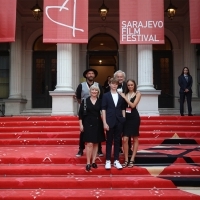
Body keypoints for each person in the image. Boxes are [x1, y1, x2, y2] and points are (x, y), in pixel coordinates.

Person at [75, 69, 104, 157]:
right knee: (83, 131)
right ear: (86, 75)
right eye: (89, 73)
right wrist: (85, 105)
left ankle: (99, 149)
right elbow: (78, 97)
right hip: (85, 110)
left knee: (97, 130)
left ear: (94, 75)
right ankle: (81, 149)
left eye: (92, 73)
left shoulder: (98, 85)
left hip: (96, 110)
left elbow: (101, 97)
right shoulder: (81, 85)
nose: (91, 75)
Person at [78, 85, 105, 172]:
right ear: (90, 91)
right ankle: (88, 162)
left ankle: (94, 161)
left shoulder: (100, 101)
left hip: (98, 123)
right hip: (87, 123)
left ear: (98, 92)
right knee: (89, 144)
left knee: (96, 143)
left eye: (96, 90)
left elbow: (103, 113)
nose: (94, 91)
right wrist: (81, 125)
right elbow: (80, 114)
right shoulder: (85, 101)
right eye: (92, 90)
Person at [102, 77, 126, 170]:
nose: (114, 85)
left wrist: (123, 119)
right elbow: (103, 109)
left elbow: (123, 108)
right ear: (109, 84)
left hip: (119, 121)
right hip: (109, 120)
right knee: (108, 141)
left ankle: (116, 160)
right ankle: (108, 160)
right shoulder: (106, 95)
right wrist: (104, 122)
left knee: (117, 141)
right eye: (112, 83)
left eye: (116, 84)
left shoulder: (121, 96)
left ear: (117, 85)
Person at [119, 79, 141, 168]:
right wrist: (123, 118)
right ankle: (126, 159)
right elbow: (123, 107)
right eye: (128, 85)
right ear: (126, 86)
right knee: (125, 139)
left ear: (134, 85)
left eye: (132, 85)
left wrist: (124, 97)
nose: (130, 86)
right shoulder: (125, 93)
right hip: (126, 118)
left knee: (135, 138)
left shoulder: (138, 94)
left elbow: (133, 105)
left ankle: (132, 159)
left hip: (134, 117)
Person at [113, 70, 132, 155]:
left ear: (124, 78)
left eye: (121, 77)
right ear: (115, 78)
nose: (119, 78)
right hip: (116, 111)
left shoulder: (127, 86)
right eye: (118, 77)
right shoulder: (113, 86)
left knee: (127, 130)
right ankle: (119, 147)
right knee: (117, 130)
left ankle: (129, 148)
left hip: (127, 110)